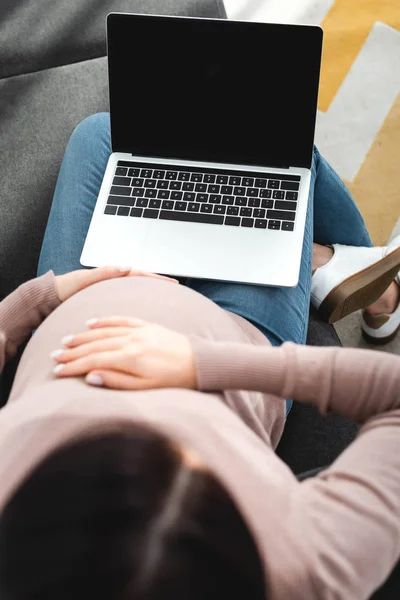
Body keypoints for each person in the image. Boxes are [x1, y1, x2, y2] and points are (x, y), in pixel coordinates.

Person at [0, 112, 399, 600]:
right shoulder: (305, 565)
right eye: (193, 439)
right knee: (277, 145)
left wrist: (42, 299)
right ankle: (374, 289)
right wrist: (203, 364)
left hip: (83, 292)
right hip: (236, 335)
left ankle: (324, 262)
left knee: (103, 132)